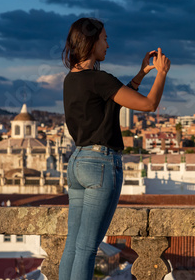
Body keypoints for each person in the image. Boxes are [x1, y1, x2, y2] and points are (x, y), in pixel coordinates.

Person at [59, 17, 170, 279]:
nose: (108, 45)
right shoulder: (99, 79)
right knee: (87, 248)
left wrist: (143, 72)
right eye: (104, 39)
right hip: (100, 164)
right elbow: (148, 104)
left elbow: (115, 101)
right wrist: (162, 73)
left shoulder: (71, 80)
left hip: (77, 163)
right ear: (91, 42)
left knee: (73, 246)